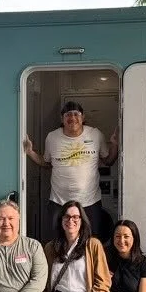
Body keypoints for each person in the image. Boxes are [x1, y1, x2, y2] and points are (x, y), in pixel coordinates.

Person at [22, 100, 118, 239]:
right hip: (59, 202)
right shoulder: (52, 137)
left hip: (90, 202)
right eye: (68, 115)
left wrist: (114, 144)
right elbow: (47, 163)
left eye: (76, 114)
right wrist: (30, 152)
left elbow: (109, 161)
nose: (72, 117)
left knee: (91, 241)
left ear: (83, 117)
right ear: (62, 119)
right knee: (58, 241)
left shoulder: (95, 134)